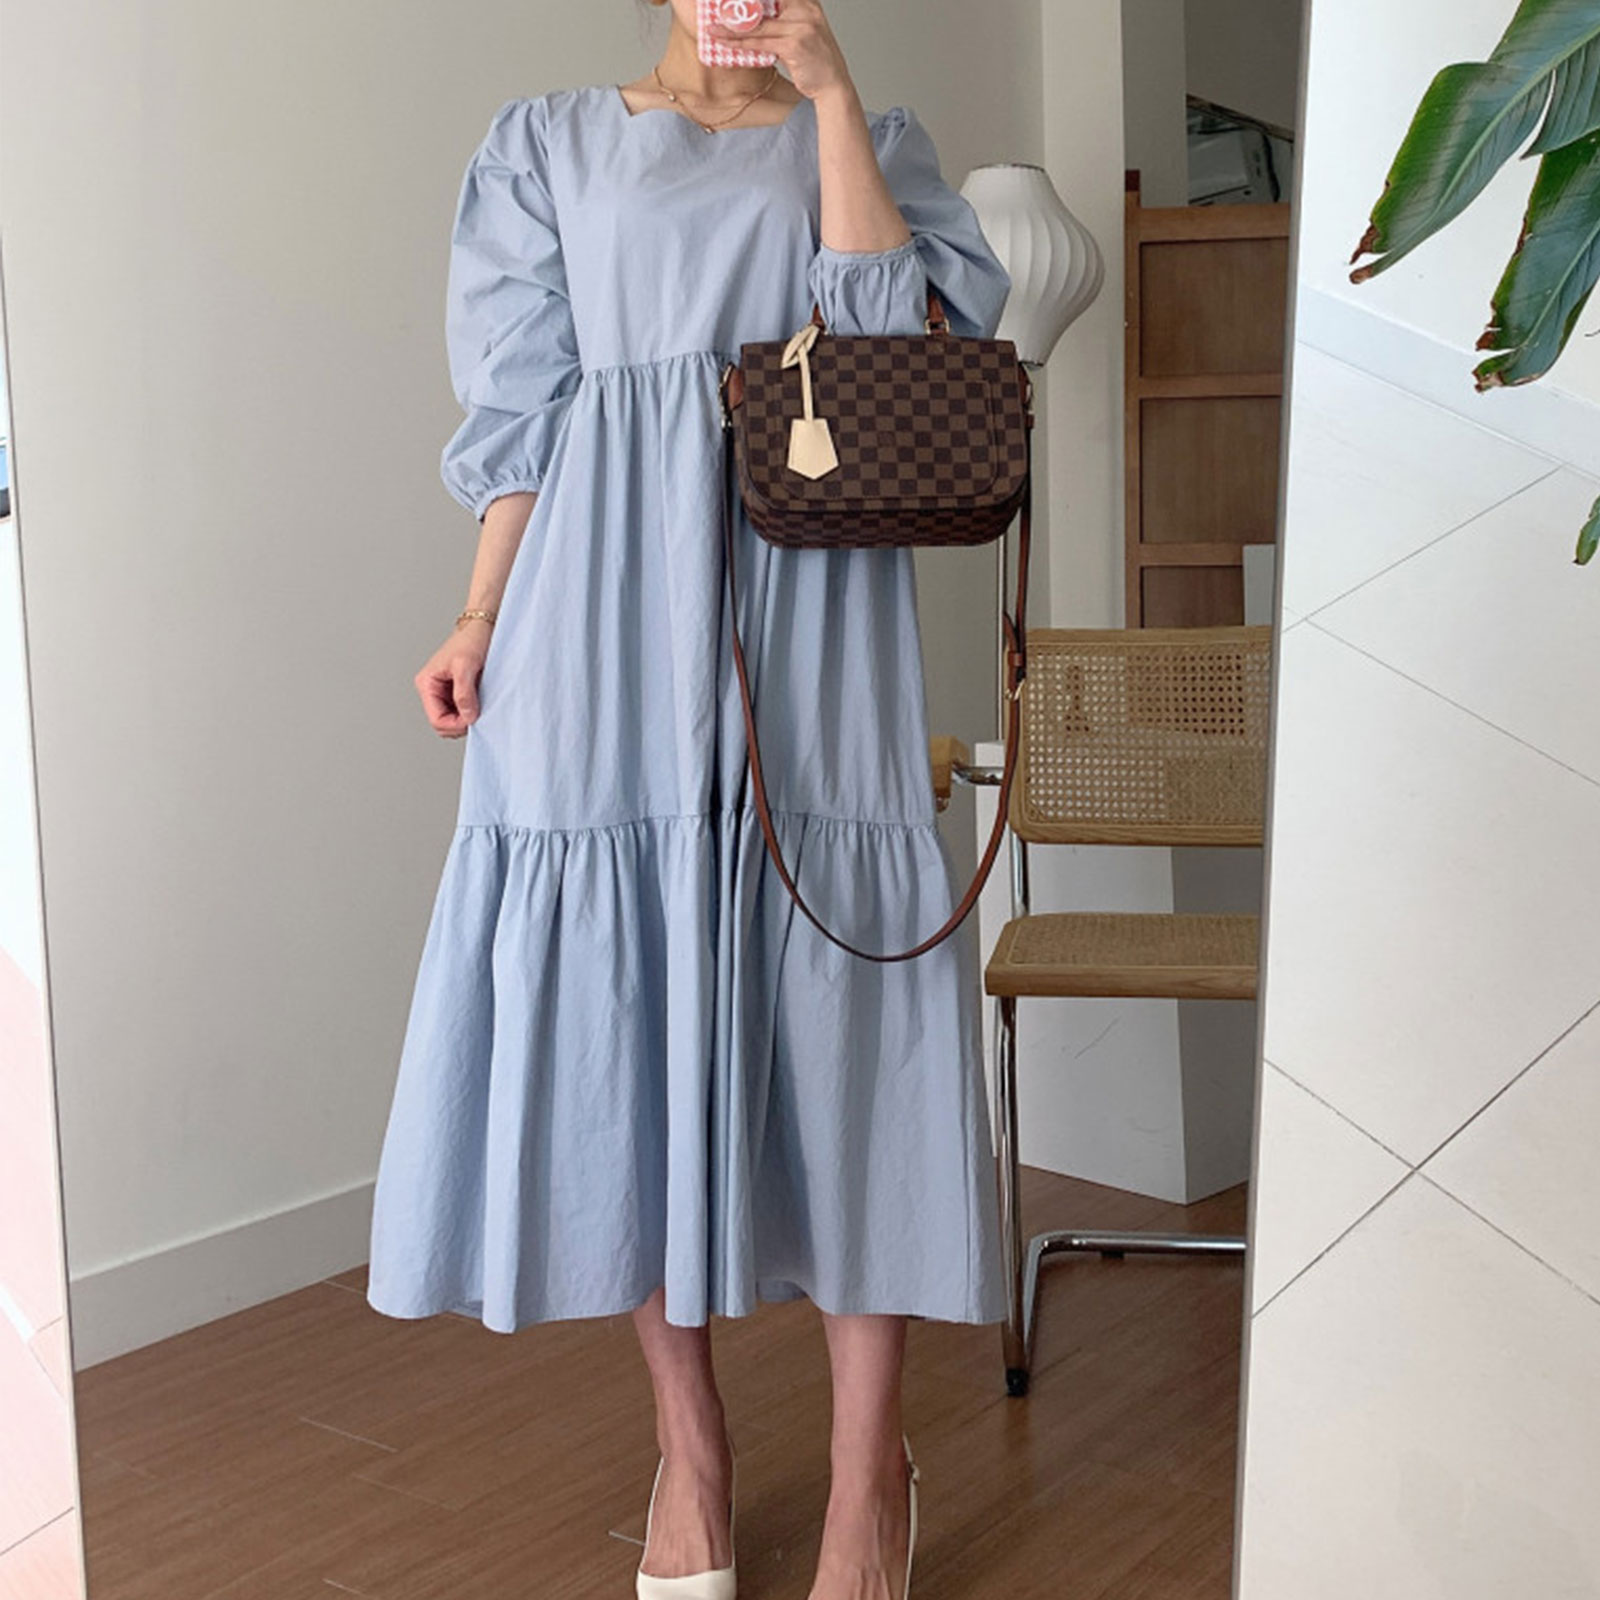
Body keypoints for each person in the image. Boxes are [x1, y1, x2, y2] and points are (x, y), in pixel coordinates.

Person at [364, 1, 1013, 1595]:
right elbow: (524, 418)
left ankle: (868, 1483)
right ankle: (693, 1454)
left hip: (814, 618)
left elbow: (891, 351)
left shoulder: (878, 142)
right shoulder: (545, 146)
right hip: (596, 625)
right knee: (631, 1018)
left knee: (849, 1019)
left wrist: (832, 99)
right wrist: (477, 618)